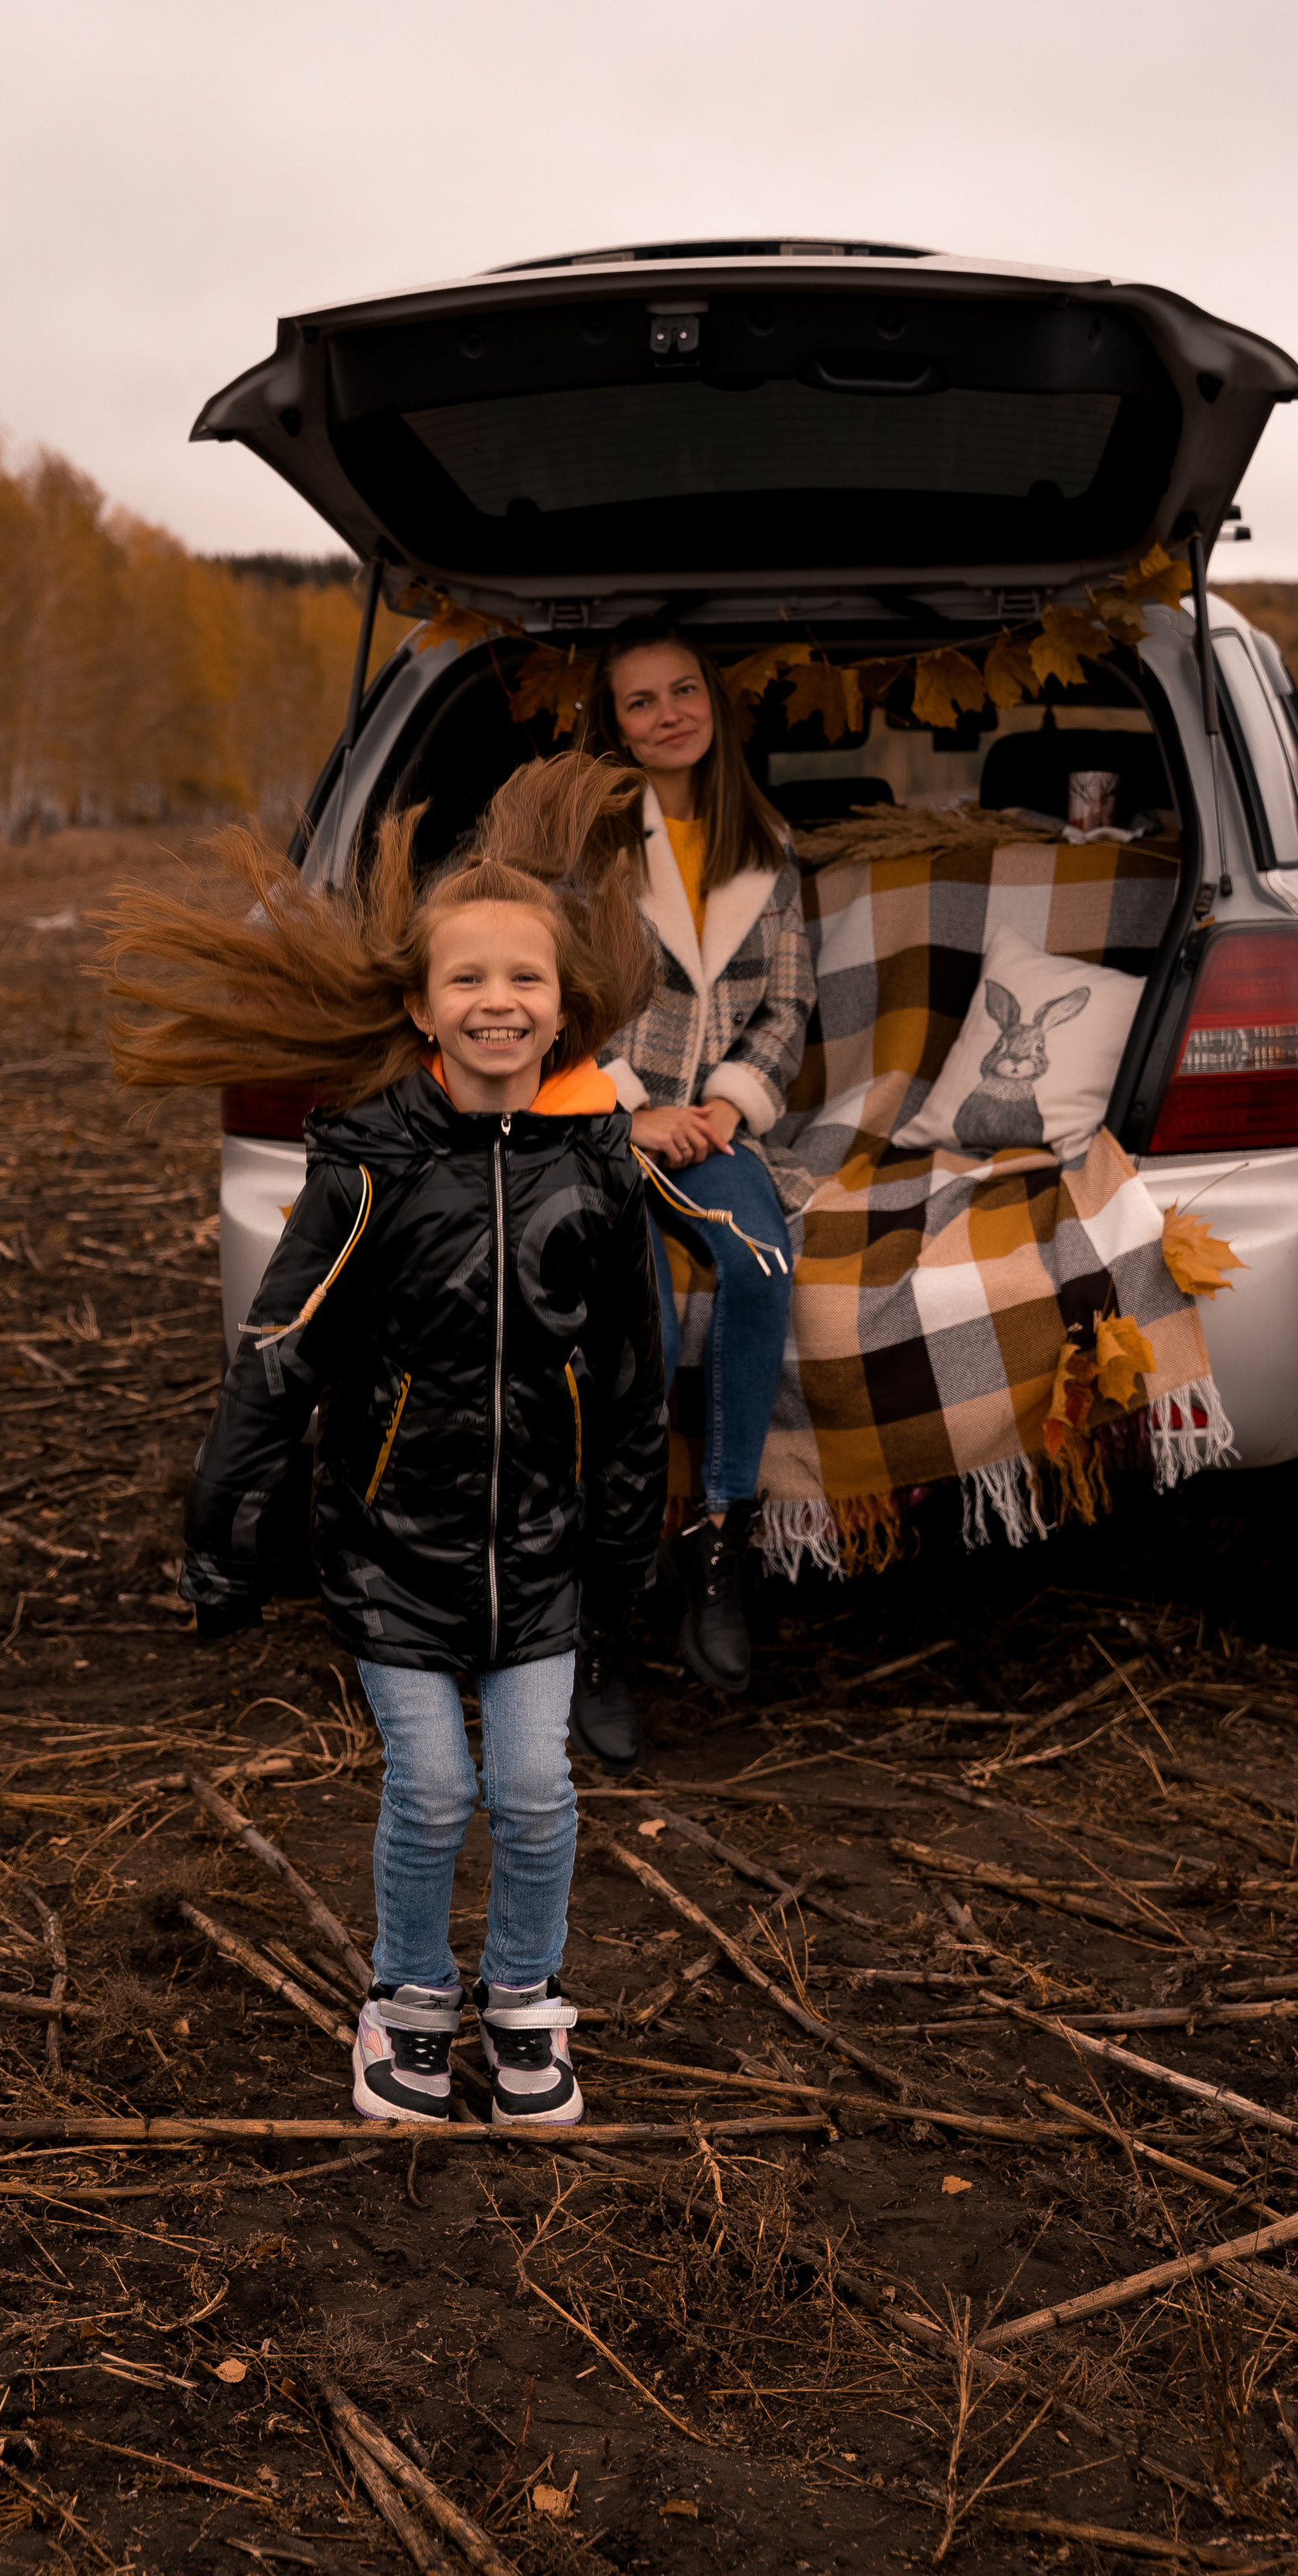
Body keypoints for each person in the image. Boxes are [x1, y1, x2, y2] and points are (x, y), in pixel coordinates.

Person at [104, 758, 666, 2132]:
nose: (497, 1003)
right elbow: (275, 1361)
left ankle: (525, 2003)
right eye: (467, 980)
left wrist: (627, 1542)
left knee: (533, 1791)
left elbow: (635, 1373)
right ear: (422, 1008)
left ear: (564, 1007)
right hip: (388, 1547)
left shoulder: (597, 1168)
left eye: (523, 981)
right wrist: (221, 1544)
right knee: (433, 1789)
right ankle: (410, 2003)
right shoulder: (366, 1162)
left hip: (535, 1550)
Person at [574, 621, 814, 1752]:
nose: (668, 714)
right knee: (640, 1307)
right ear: (608, 724)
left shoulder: (764, 841)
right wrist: (631, 1102)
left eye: (684, 692)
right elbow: (555, 993)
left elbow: (788, 1008)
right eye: (639, 702)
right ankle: (607, 1607)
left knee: (761, 1266)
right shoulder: (585, 844)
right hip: (603, 1121)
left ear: (714, 703)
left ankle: (719, 1543)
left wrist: (726, 1105)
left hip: (714, 1123)